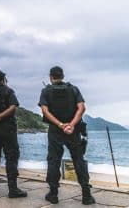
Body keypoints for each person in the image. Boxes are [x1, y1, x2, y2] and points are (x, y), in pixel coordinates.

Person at [39, 66, 95, 205]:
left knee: (53, 161)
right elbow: (82, 108)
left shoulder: (46, 91)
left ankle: (53, 194)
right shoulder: (74, 89)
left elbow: (45, 111)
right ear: (63, 76)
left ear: (51, 77)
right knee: (78, 160)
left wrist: (60, 125)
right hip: (73, 131)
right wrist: (71, 125)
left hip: (55, 131)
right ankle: (86, 195)